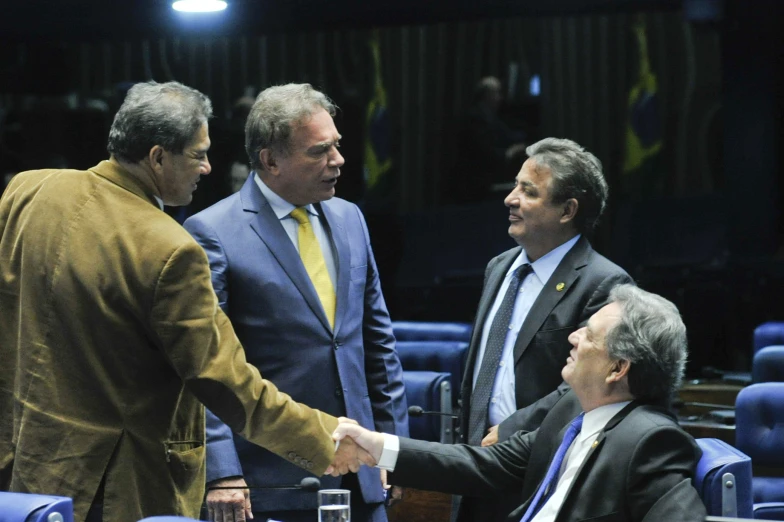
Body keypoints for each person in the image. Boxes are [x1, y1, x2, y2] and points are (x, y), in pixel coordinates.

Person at [0, 81, 362, 522]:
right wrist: (323, 438)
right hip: (115, 486)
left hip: (24, 468)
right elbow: (226, 382)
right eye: (198, 154)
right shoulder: (170, 247)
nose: (209, 168)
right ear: (157, 157)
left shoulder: (27, 191)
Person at [183, 83, 408, 522]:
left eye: (337, 146)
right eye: (319, 151)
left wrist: (398, 453)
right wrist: (222, 471)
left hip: (364, 475)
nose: (338, 160)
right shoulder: (212, 232)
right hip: (273, 479)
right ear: (271, 160)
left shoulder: (350, 218)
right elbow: (202, 366)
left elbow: (378, 347)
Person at [332, 284, 708, 522]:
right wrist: (376, 446)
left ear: (617, 368)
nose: (573, 337)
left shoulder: (651, 441)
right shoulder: (572, 411)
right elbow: (486, 465)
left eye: (589, 335)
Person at [458, 139, 633, 519]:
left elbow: (587, 384)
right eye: (515, 185)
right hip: (475, 465)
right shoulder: (499, 267)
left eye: (528, 191)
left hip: (540, 469)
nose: (510, 198)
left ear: (568, 210)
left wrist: (513, 430)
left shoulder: (605, 284)